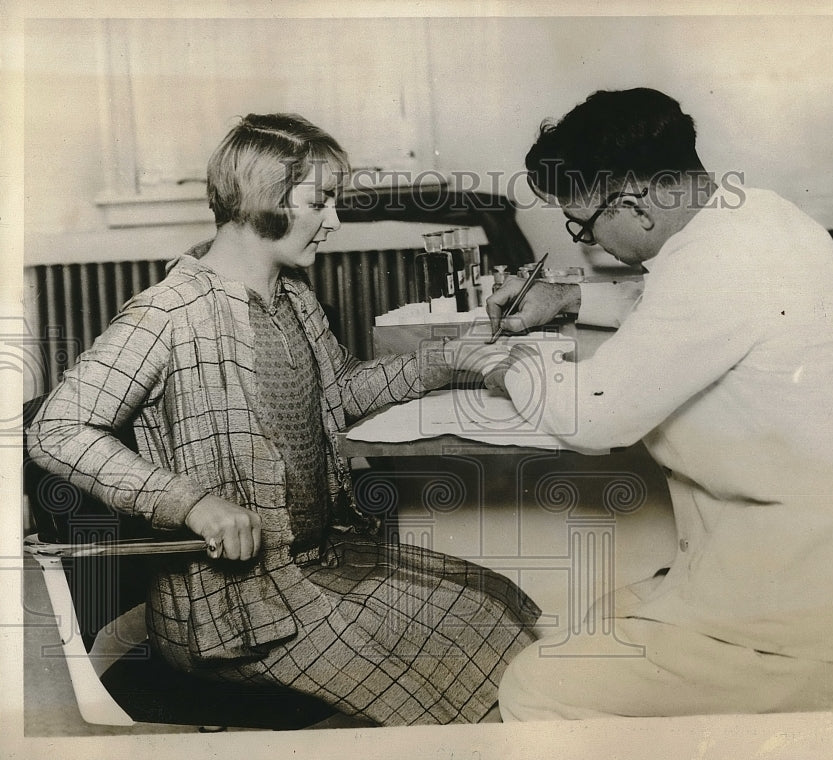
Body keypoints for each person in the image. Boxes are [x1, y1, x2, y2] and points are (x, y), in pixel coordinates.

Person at [26, 113, 540, 727]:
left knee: (495, 606)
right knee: (471, 647)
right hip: (231, 613)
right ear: (263, 197)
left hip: (313, 567)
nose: (335, 221)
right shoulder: (170, 311)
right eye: (319, 202)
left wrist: (447, 362)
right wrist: (193, 504)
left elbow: (341, 392)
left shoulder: (291, 294)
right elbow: (56, 430)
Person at [477, 88, 833, 720]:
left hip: (830, 634)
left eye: (585, 226)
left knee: (534, 686)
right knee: (595, 617)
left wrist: (505, 363)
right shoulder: (757, 217)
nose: (587, 242)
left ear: (634, 205)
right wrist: (566, 301)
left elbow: (593, 416)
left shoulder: (714, 264)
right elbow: (671, 309)